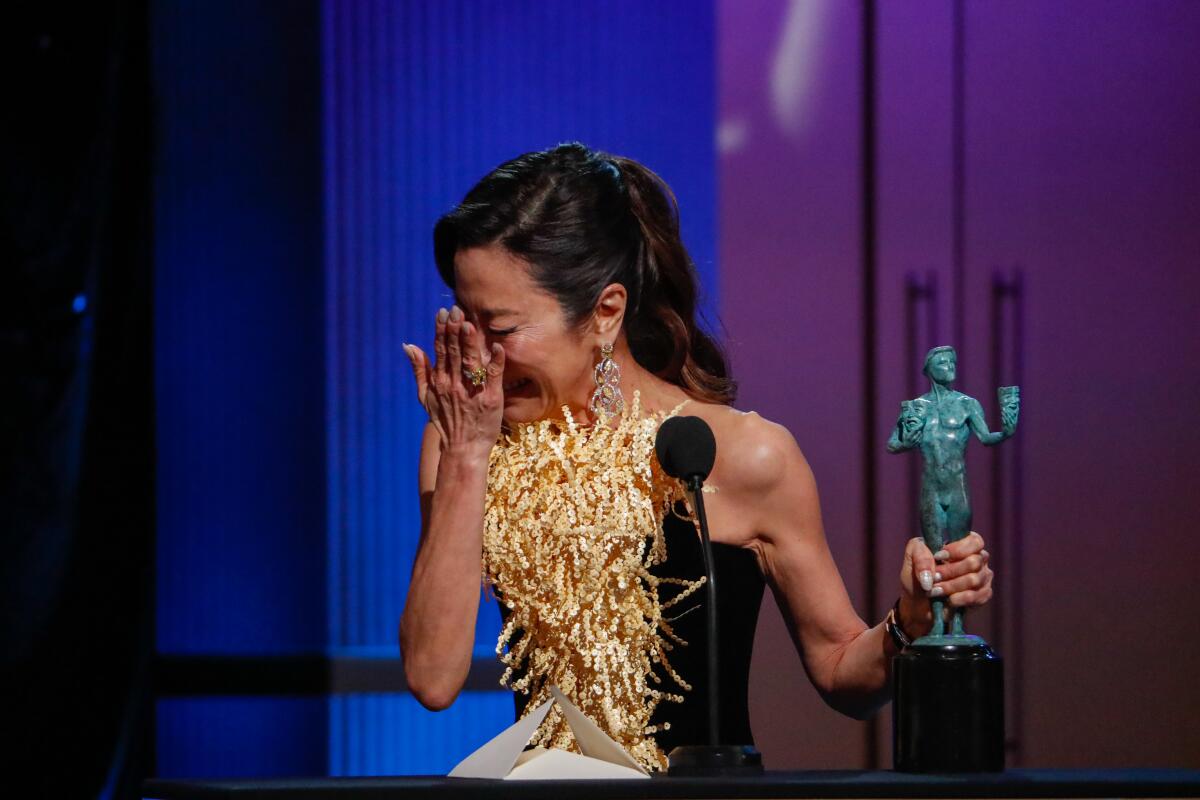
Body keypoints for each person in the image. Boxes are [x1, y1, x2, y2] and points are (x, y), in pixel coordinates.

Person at [400, 142, 994, 771]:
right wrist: (466, 457)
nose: (476, 357)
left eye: (500, 330)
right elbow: (433, 679)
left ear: (605, 313)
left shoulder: (747, 454)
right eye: (463, 322)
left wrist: (907, 619)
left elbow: (843, 673)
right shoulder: (465, 439)